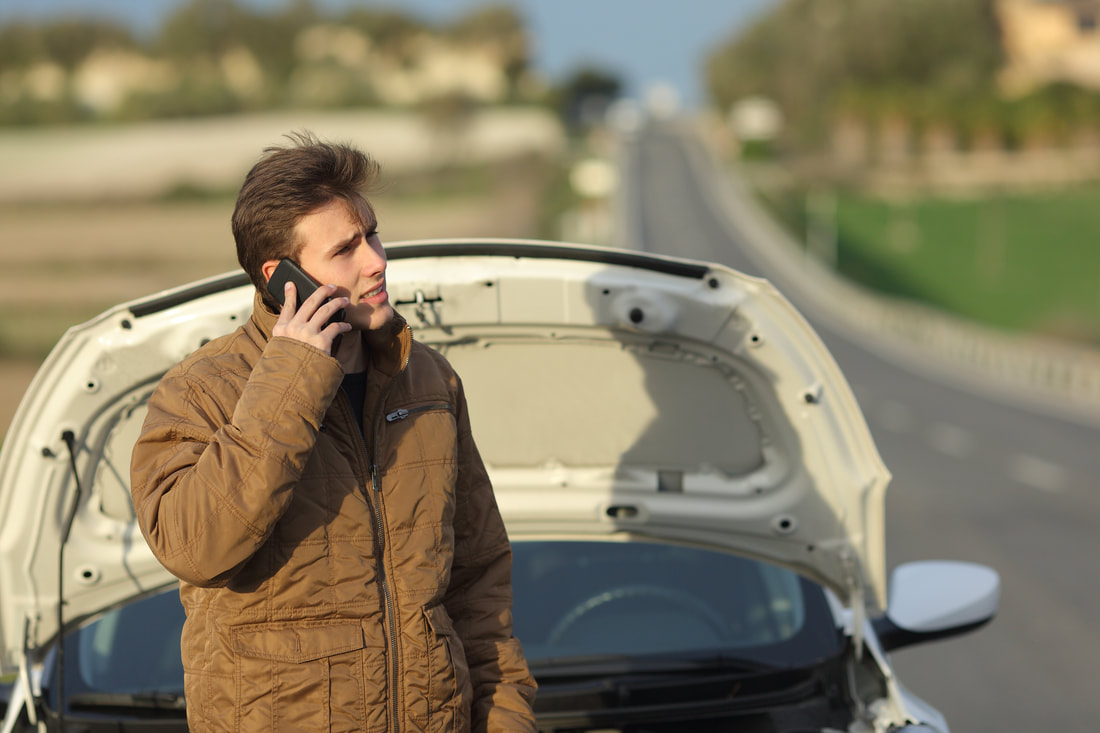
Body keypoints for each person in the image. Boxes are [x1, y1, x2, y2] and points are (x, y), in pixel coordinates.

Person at [130, 132, 537, 732]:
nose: (377, 260)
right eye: (346, 248)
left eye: (372, 234)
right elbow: (195, 546)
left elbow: (479, 586)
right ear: (281, 277)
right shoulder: (199, 390)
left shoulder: (427, 380)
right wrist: (293, 376)